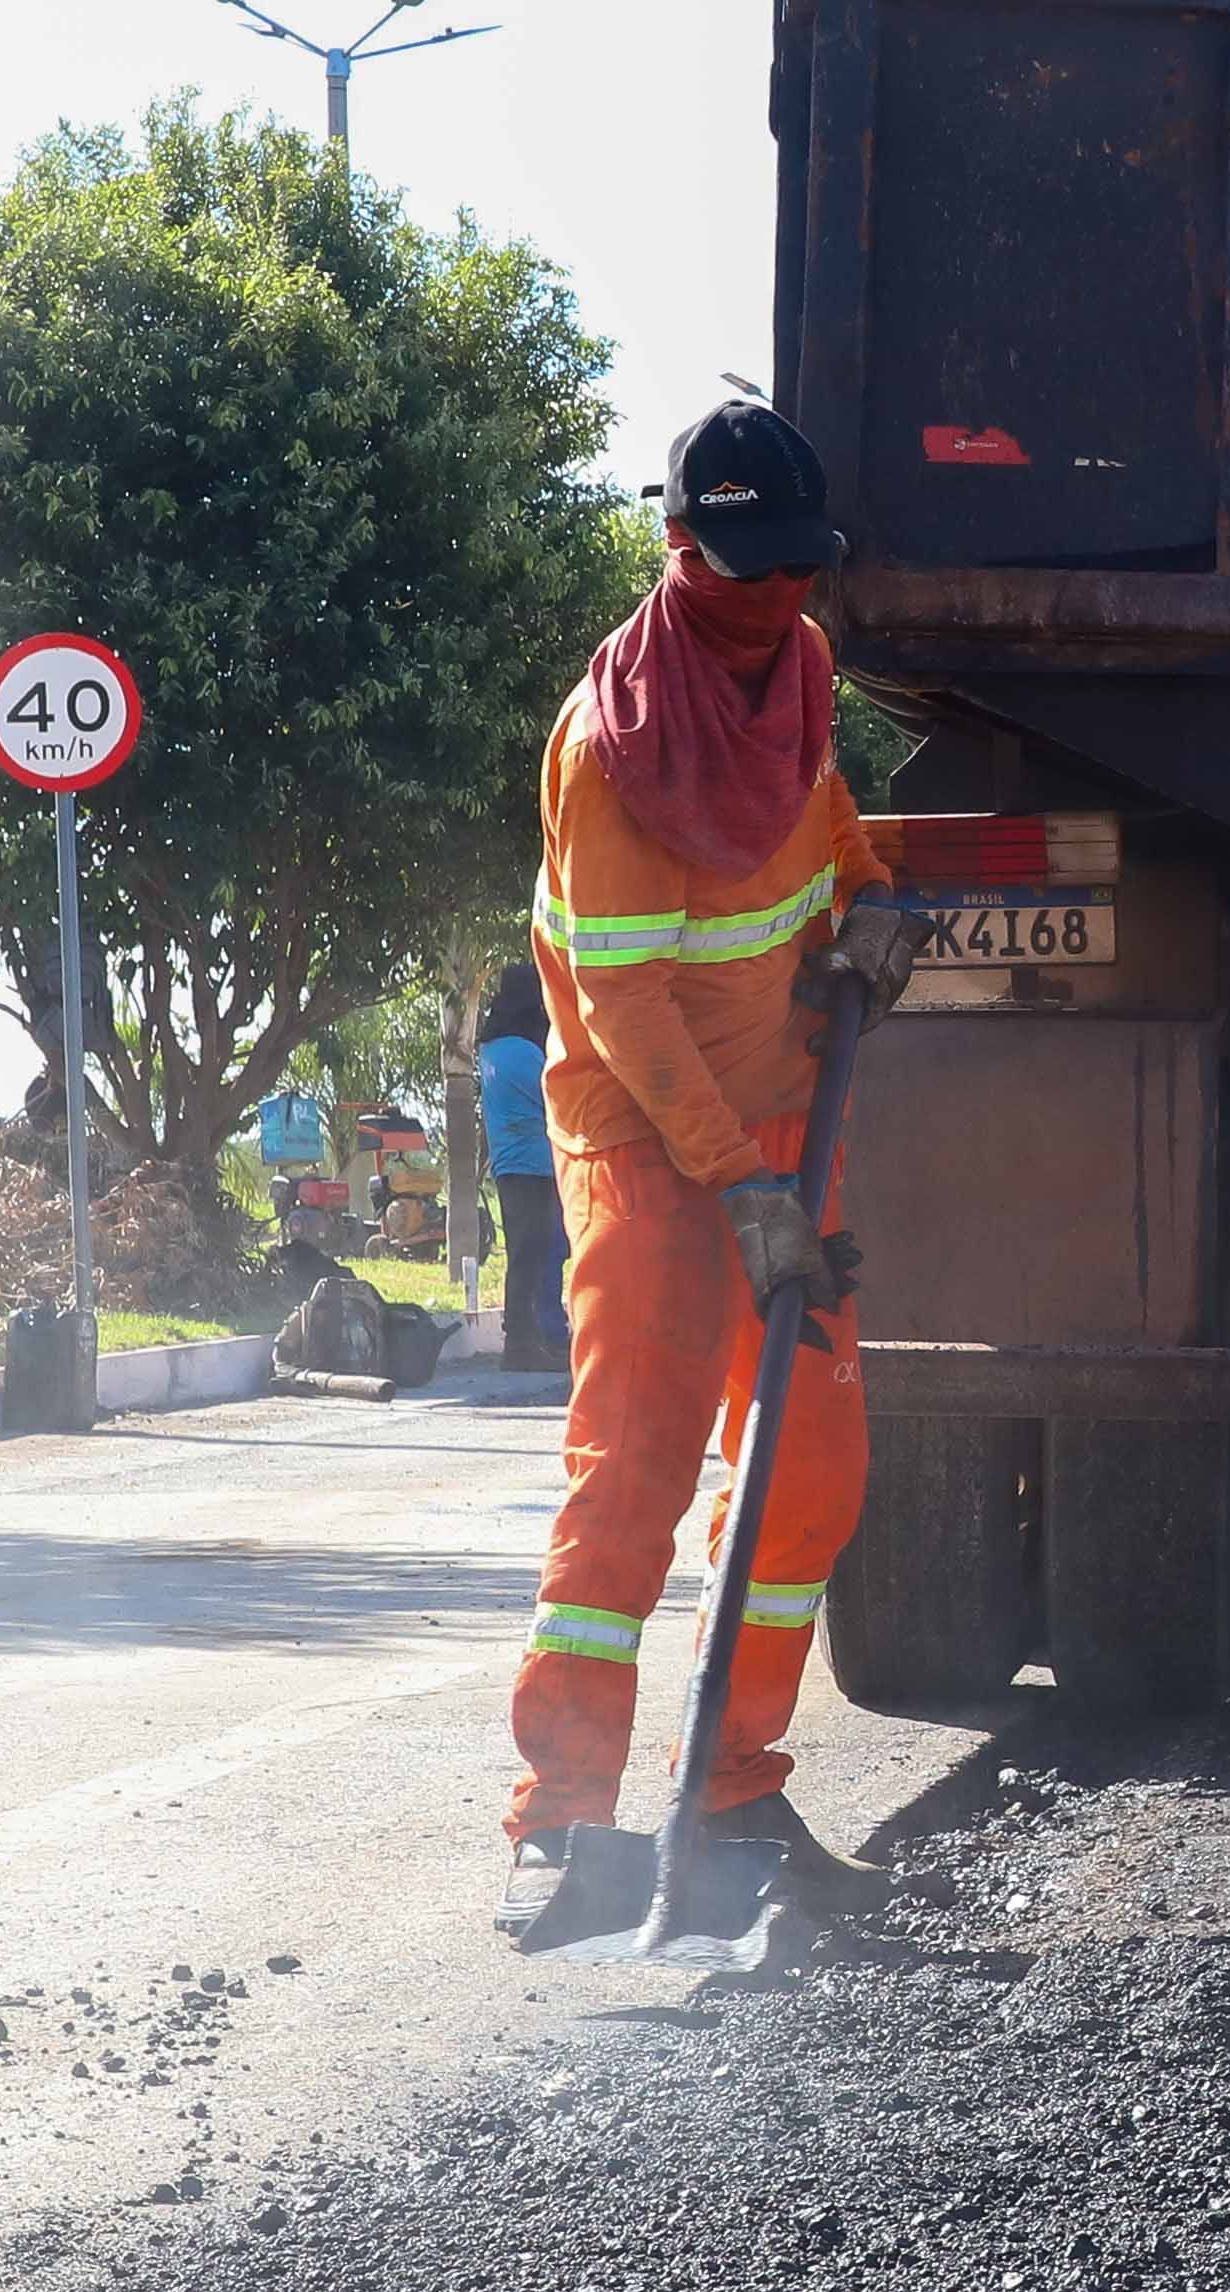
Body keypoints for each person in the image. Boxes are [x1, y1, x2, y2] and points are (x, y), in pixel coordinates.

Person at [491, 397, 925, 1943]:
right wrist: (737, 1186)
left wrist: (870, 901)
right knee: (635, 1476)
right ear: (680, 551)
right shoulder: (613, 744)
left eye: (799, 570)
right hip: (653, 1149)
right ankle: (567, 1824)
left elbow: (818, 827)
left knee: (808, 1476)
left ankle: (730, 1788)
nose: (778, 600)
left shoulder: (796, 672)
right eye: (747, 571)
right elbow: (623, 1000)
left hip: (787, 1138)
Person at [478, 962, 569, 1373]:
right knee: (533, 1255)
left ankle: (525, 1340)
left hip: (508, 1162)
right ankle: (520, 1344)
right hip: (535, 1164)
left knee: (524, 1254)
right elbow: (558, 1092)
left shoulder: (491, 1049)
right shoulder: (524, 1049)